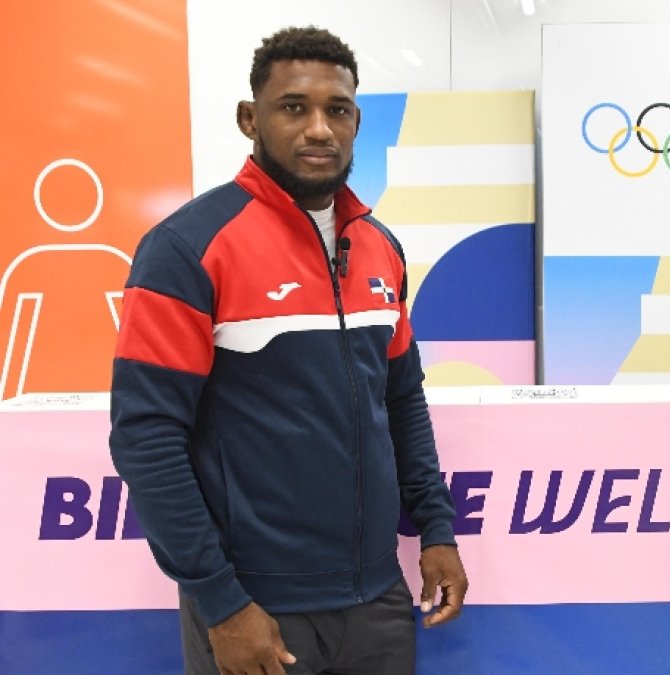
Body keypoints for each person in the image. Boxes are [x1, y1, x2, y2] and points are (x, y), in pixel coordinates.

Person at [109, 26, 467, 675]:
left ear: (357, 121)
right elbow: (146, 437)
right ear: (251, 119)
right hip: (255, 604)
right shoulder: (187, 249)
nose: (319, 129)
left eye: (337, 110)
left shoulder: (380, 246)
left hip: (376, 597)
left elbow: (402, 400)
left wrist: (436, 530)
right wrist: (221, 601)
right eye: (294, 107)